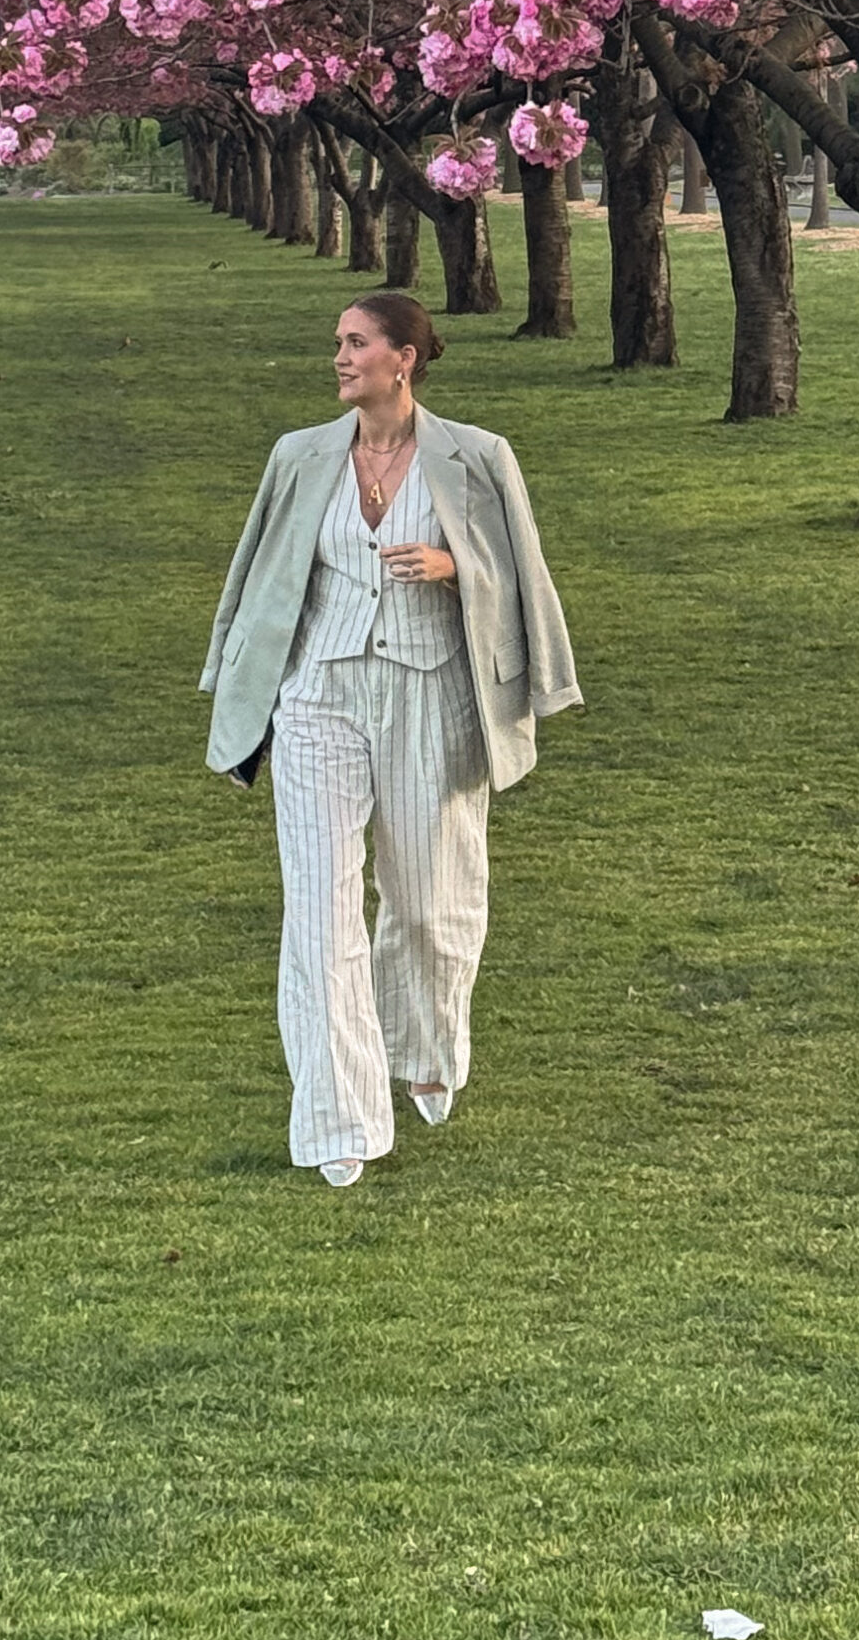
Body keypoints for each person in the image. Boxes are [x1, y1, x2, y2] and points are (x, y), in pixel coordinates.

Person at [200, 289, 581, 1189]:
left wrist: (454, 566)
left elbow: (521, 575)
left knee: (428, 903)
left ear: (403, 358)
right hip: (318, 698)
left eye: (357, 342)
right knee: (320, 913)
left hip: (431, 695)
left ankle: (423, 1047)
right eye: (336, 341)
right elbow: (254, 573)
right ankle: (340, 1116)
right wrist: (237, 691)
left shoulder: (478, 457)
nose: (339, 357)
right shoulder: (299, 457)